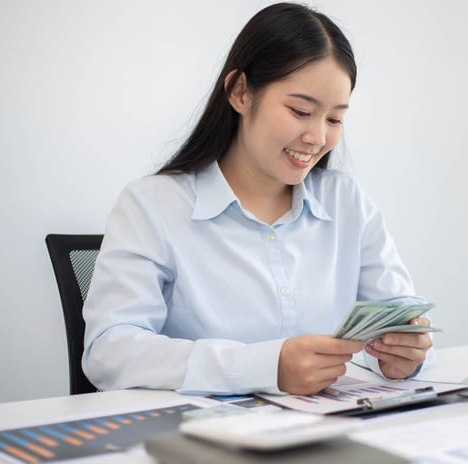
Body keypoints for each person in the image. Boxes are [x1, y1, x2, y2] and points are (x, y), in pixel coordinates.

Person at [82, 2, 434, 396]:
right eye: (301, 111)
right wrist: (263, 367)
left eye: (334, 119)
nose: (318, 137)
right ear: (240, 92)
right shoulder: (152, 206)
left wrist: (406, 357)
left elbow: (403, 316)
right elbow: (109, 352)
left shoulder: (346, 201)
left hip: (328, 432)